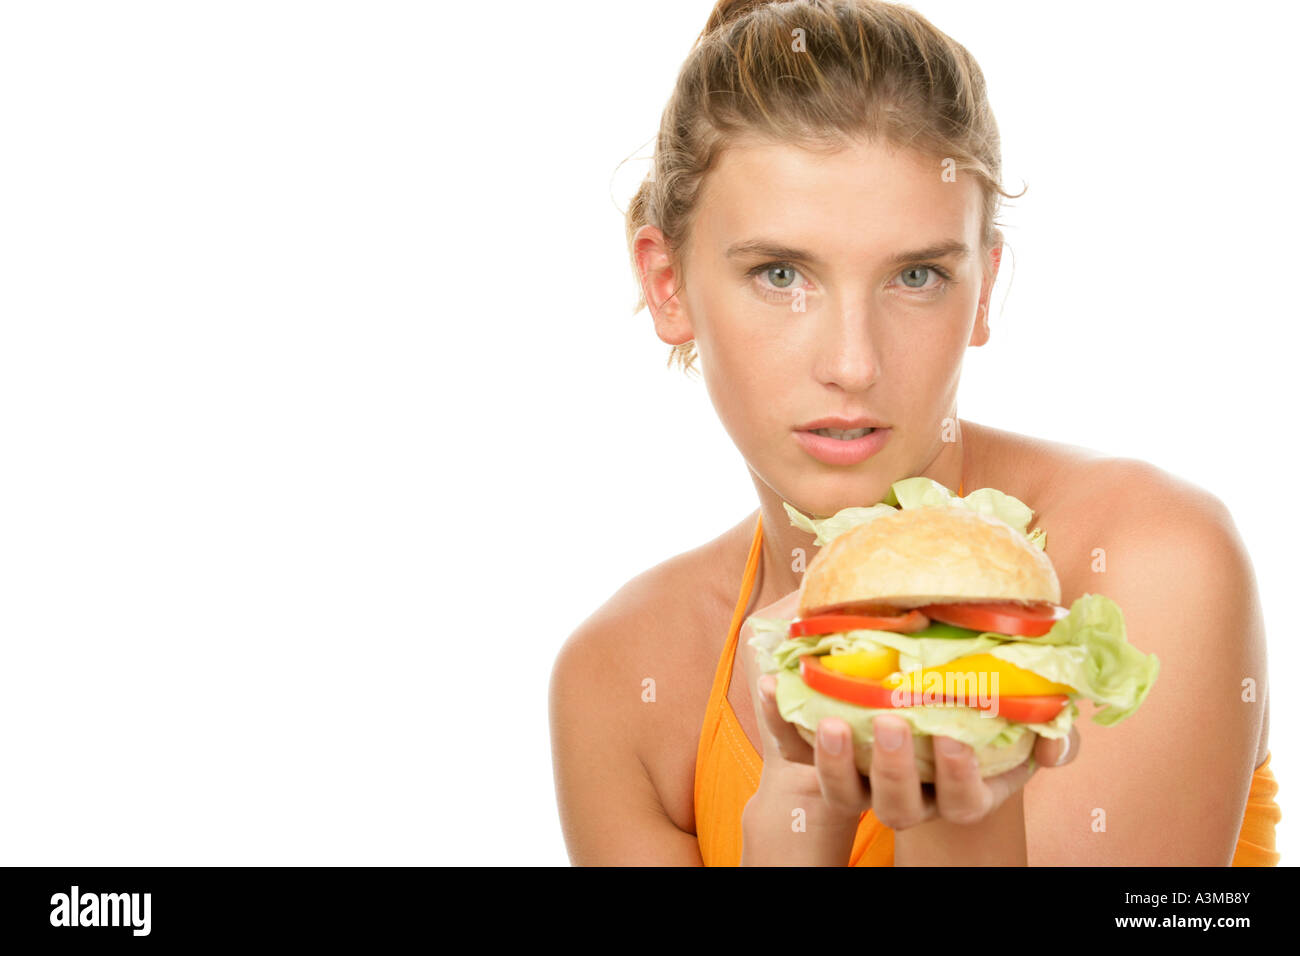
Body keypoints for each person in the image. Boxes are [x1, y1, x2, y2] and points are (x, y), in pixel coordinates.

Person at [548, 0, 1280, 865]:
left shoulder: (1151, 561)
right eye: (780, 274)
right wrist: (794, 822)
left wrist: (956, 816)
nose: (854, 364)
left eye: (918, 275)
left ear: (982, 290)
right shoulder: (617, 679)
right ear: (668, 285)